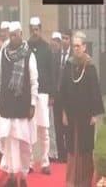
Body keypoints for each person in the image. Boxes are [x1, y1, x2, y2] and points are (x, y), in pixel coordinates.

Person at [0, 21, 38, 187]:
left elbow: (34, 81)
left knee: (24, 144)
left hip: (23, 106)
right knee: (9, 141)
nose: (13, 38)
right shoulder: (3, 54)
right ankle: (12, 176)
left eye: (16, 34)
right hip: (6, 104)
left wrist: (33, 103)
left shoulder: (29, 55)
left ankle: (24, 177)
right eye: (11, 35)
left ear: (21, 34)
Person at [61, 31, 104, 187]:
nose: (76, 49)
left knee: (85, 148)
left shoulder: (90, 66)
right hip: (71, 115)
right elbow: (63, 89)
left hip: (86, 115)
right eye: (74, 46)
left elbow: (95, 91)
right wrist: (64, 112)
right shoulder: (69, 64)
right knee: (72, 148)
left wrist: (94, 114)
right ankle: (71, 181)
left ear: (84, 47)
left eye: (78, 46)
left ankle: (85, 182)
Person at [28, 16, 53, 174]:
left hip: (43, 93)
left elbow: (51, 72)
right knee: (30, 129)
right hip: (30, 94)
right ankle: (29, 163)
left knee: (44, 130)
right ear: (30, 30)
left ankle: (45, 162)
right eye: (33, 29)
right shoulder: (26, 46)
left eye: (37, 29)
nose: (35, 32)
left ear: (40, 29)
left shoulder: (46, 47)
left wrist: (51, 95)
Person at [53, 29, 71, 163]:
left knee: (68, 126)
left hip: (69, 97)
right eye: (63, 38)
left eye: (66, 38)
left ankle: (69, 152)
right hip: (57, 96)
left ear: (70, 40)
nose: (64, 41)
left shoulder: (73, 57)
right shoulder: (56, 55)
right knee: (58, 125)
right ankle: (61, 154)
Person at [48, 31, 62, 161]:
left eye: (57, 41)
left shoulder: (61, 57)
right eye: (53, 40)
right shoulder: (49, 55)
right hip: (52, 96)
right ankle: (52, 153)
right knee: (51, 125)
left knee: (59, 125)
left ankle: (58, 152)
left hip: (60, 97)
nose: (54, 43)